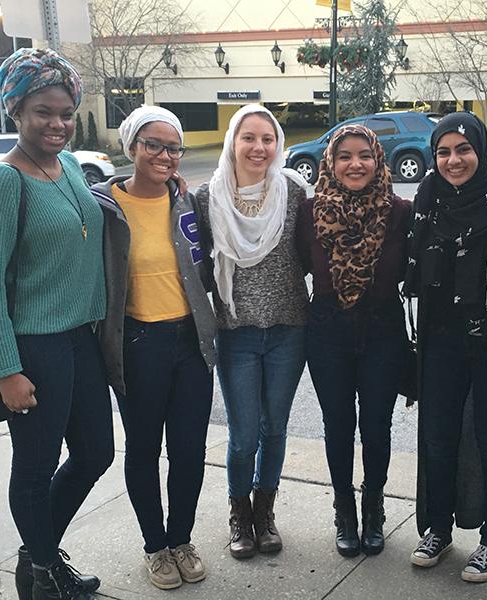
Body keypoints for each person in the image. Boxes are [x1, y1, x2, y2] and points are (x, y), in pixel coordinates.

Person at [0, 48, 113, 600]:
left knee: (97, 451)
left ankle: (39, 561)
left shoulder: (70, 166)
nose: (57, 124)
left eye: (65, 113)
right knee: (35, 464)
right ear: (16, 112)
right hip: (33, 346)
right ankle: (46, 577)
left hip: (81, 339)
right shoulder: (1, 184)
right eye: (42, 112)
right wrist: (6, 369)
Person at [91, 105, 217, 590]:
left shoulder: (186, 203)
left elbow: (207, 263)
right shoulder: (103, 205)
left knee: (189, 450)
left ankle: (181, 539)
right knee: (143, 450)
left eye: (173, 147)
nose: (165, 155)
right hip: (138, 342)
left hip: (191, 341)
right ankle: (155, 547)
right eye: (154, 145)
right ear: (132, 148)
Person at [403, 111, 487, 582]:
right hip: (439, 336)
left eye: (463, 149)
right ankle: (438, 528)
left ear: (481, 149)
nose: (453, 160)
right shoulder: (428, 197)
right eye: (443, 151)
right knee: (437, 435)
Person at [194, 104, 309, 559]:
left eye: (267, 139)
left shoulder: (295, 192)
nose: (259, 148)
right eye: (249, 138)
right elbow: (193, 258)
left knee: (274, 429)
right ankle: (240, 516)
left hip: (288, 330)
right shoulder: (207, 197)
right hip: (237, 332)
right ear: (233, 143)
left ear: (277, 144)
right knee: (243, 435)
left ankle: (265, 513)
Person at [297, 124, 411, 557]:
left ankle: (374, 506)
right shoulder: (309, 213)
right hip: (327, 329)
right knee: (338, 425)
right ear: (330, 162)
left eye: (364, 155)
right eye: (344, 155)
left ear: (378, 160)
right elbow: (301, 264)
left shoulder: (401, 211)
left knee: (377, 426)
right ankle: (344, 509)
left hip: (383, 328)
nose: (355, 164)